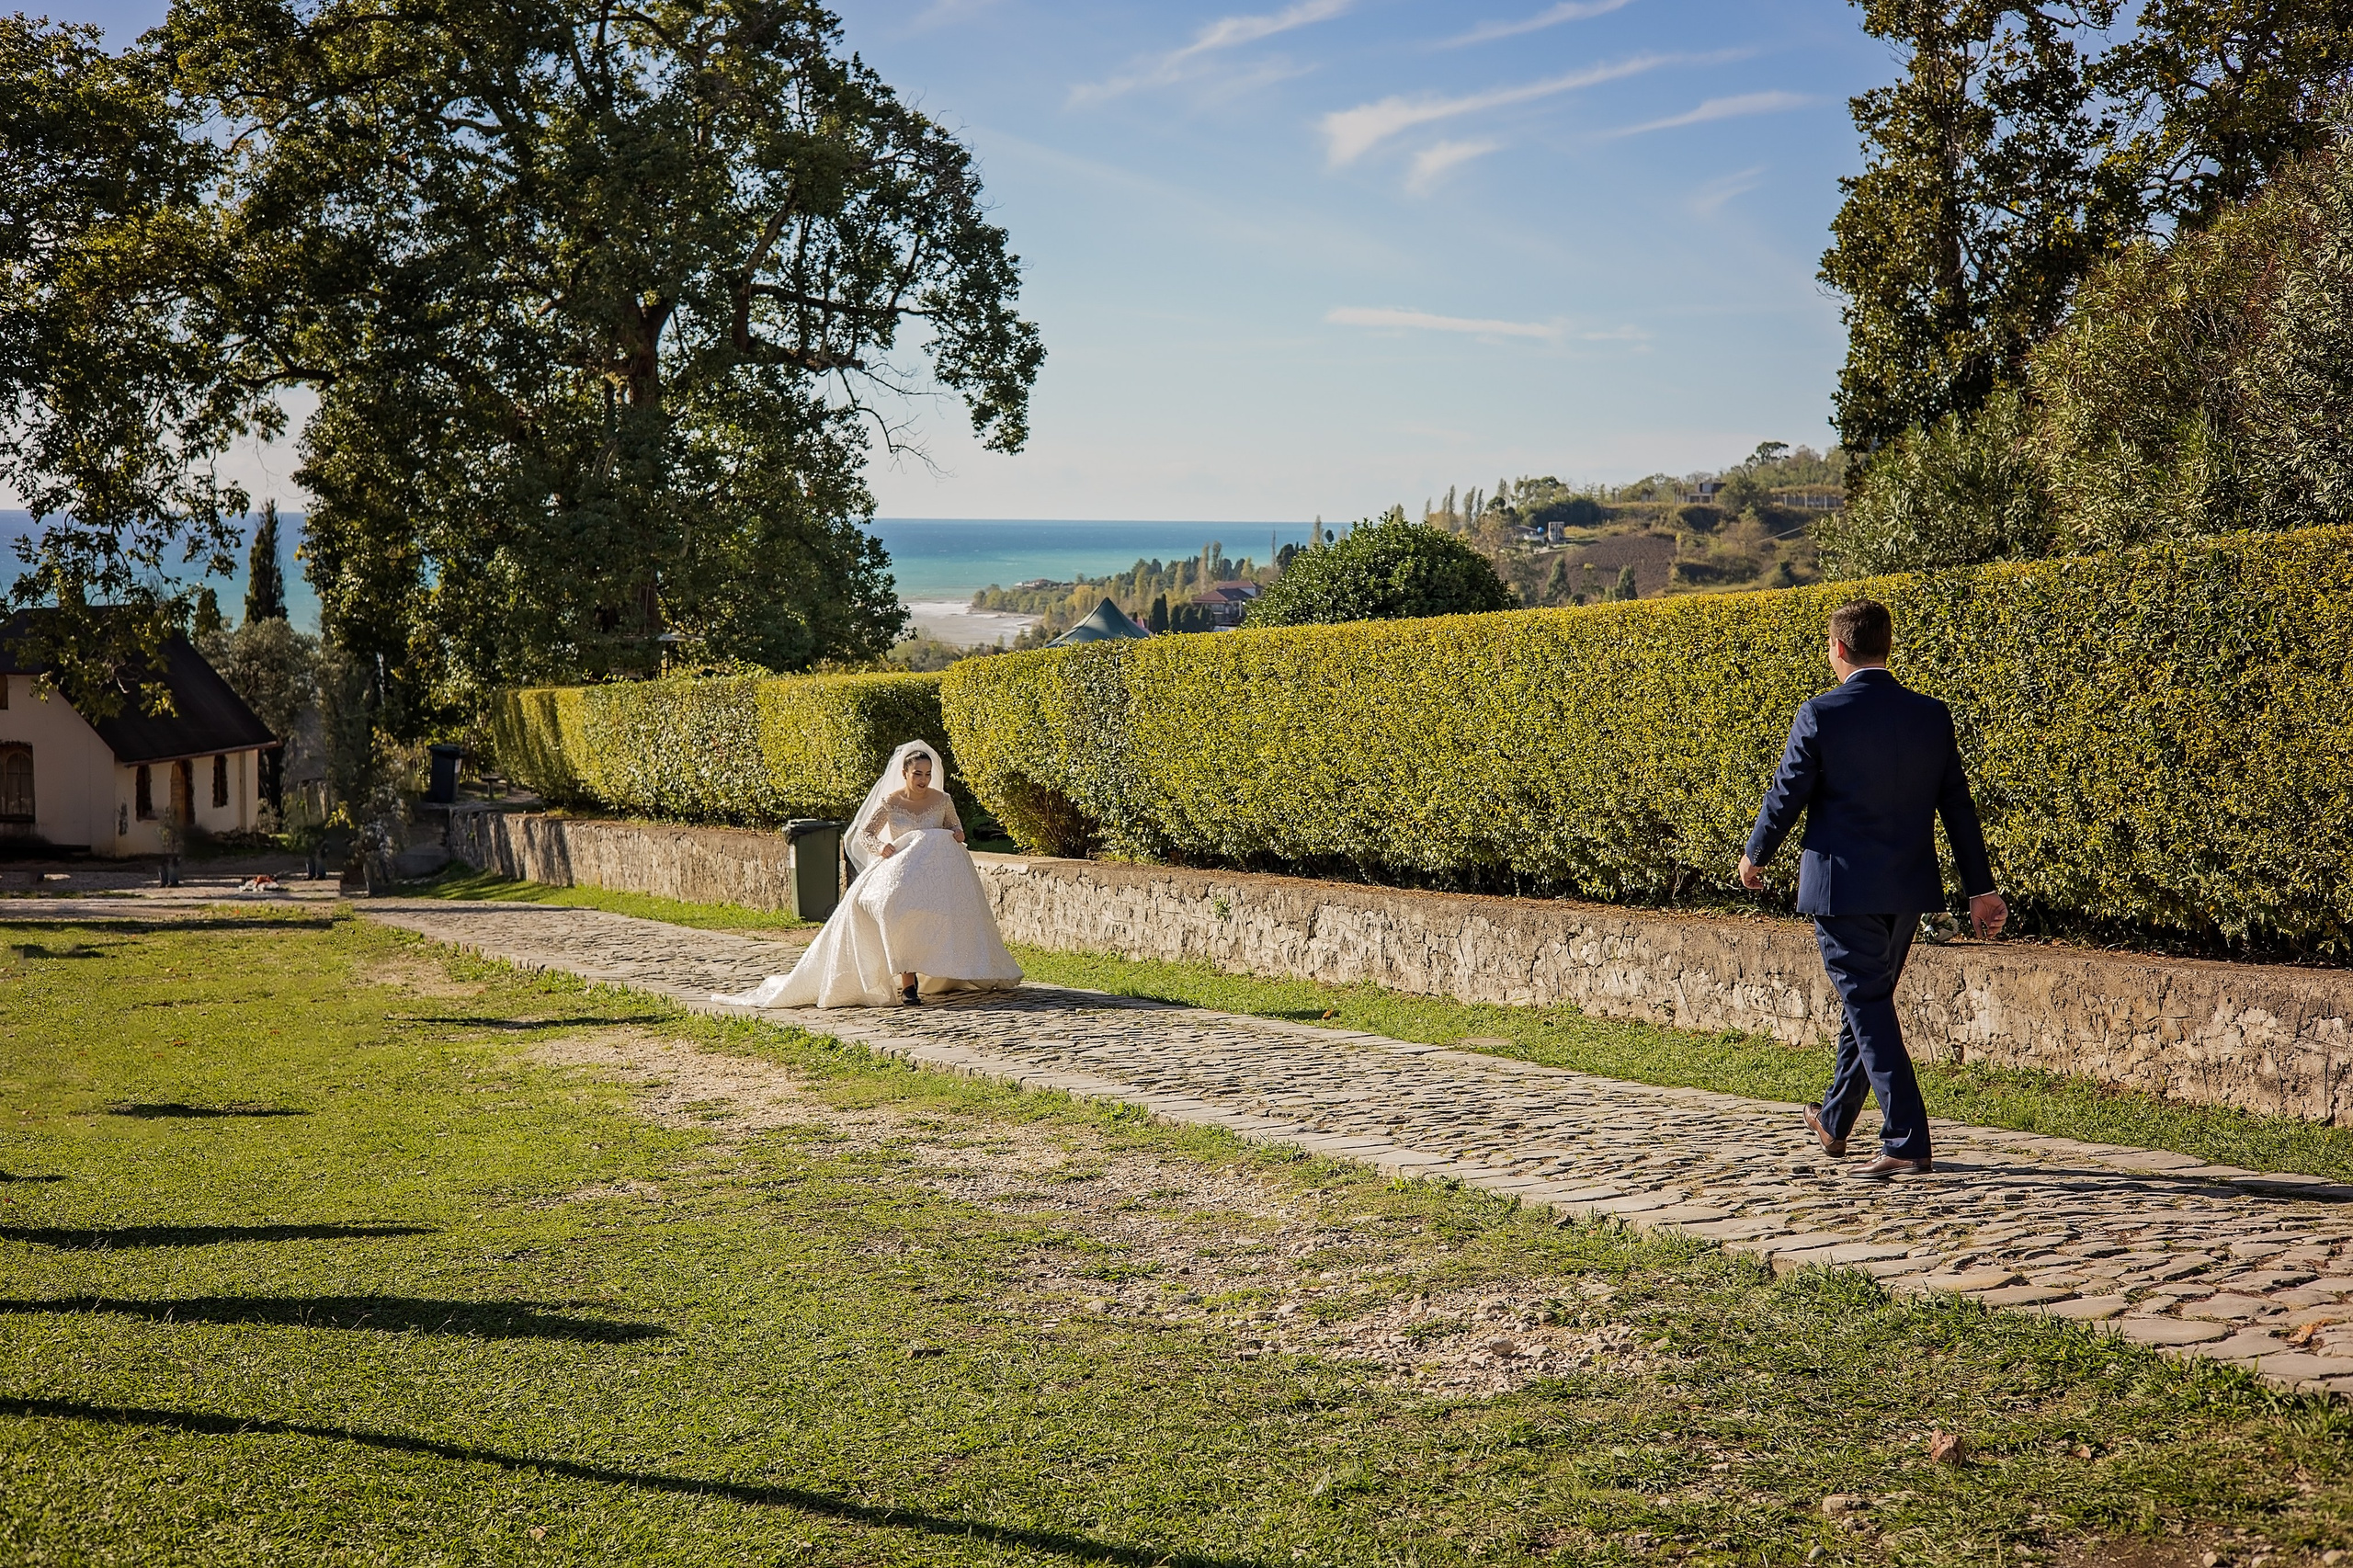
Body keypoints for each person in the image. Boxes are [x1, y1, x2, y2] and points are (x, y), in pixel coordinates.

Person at [1736, 599, 2006, 1180]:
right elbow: (1958, 809)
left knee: (1865, 1003)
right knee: (1869, 1001)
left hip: (1840, 888)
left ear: (1837, 648)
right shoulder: (1930, 716)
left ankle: (1907, 1139)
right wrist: (1979, 888)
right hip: (1907, 888)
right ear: (1888, 645)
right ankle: (1835, 1120)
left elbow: (1787, 794)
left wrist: (1756, 853)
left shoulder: (1820, 714)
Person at [714, 741, 1022, 1009]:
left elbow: (955, 827)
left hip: (932, 873)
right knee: (891, 908)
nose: (924, 780)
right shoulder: (891, 802)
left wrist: (955, 833)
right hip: (899, 867)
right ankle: (907, 980)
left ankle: (940, 969)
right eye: (918, 774)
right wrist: (882, 847)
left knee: (934, 914)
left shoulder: (942, 800)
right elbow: (865, 835)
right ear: (905, 773)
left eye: (928, 774)